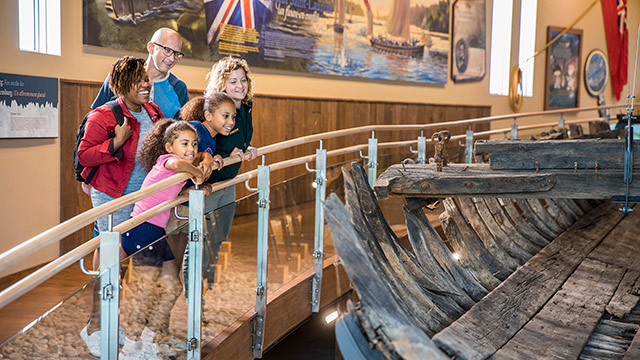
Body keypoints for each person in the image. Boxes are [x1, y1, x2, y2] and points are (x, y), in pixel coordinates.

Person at [118, 119, 219, 359]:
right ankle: (130, 350)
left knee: (172, 287)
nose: (191, 149)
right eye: (184, 143)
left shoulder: (179, 168)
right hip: (141, 230)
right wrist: (197, 173)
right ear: (168, 147)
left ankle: (148, 341)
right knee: (146, 292)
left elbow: (174, 191)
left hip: (155, 232)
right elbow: (178, 165)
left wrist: (196, 187)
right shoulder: (167, 162)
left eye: (194, 143)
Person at [198, 57, 258, 287]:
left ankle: (207, 283)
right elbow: (206, 142)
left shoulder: (245, 106)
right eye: (233, 81)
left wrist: (245, 148)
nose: (240, 85)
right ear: (222, 84)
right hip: (212, 182)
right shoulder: (217, 107)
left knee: (219, 236)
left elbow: (240, 137)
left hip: (229, 180)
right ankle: (194, 285)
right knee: (203, 237)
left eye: (243, 80)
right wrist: (225, 155)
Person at [178, 92, 238, 288]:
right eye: (225, 115)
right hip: (179, 204)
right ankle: (192, 296)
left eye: (233, 117)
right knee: (194, 247)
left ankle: (197, 293)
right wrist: (206, 158)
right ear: (209, 115)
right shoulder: (196, 129)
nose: (230, 121)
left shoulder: (212, 139)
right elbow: (181, 158)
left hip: (192, 199)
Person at [91, 27, 188, 119]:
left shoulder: (179, 87)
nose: (172, 59)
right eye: (167, 50)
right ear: (151, 47)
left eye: (177, 54)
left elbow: (181, 129)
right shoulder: (121, 75)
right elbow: (95, 118)